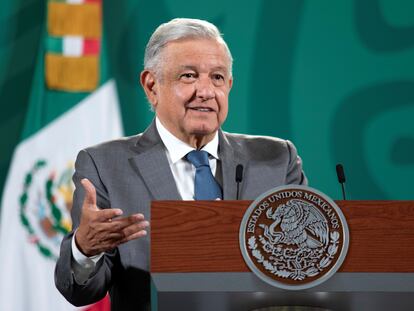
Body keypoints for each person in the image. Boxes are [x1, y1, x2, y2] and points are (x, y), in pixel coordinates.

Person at [54, 18, 307, 311]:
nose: (206, 91)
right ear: (152, 86)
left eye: (217, 77)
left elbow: (307, 268)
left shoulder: (277, 159)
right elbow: (81, 291)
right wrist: (85, 249)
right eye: (188, 76)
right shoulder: (105, 166)